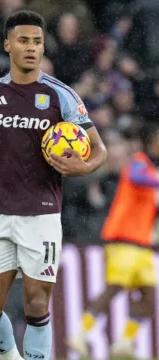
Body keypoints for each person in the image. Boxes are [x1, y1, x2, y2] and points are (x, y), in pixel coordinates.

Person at [0, 10, 107, 360]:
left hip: (42, 214)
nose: (31, 48)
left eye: (37, 42)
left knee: (36, 304)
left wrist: (83, 167)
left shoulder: (60, 94)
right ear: (8, 45)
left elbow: (100, 148)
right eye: (23, 41)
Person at [67, 126, 158, 357]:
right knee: (114, 289)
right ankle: (81, 335)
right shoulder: (139, 163)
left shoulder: (152, 173)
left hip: (143, 244)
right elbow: (137, 176)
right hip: (123, 240)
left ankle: (124, 343)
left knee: (148, 300)